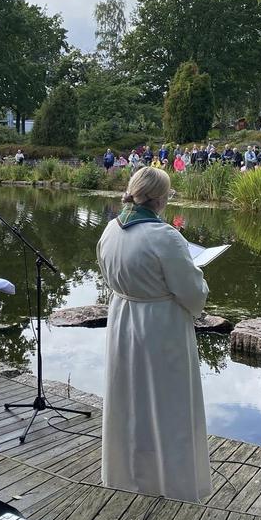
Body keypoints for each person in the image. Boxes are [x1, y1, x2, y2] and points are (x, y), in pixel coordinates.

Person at [96, 167, 211, 502]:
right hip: (161, 328)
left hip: (123, 320)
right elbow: (192, 293)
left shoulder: (110, 230)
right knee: (168, 404)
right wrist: (198, 274)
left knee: (128, 400)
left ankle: (125, 476)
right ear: (160, 199)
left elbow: (107, 275)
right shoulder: (165, 237)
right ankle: (173, 485)